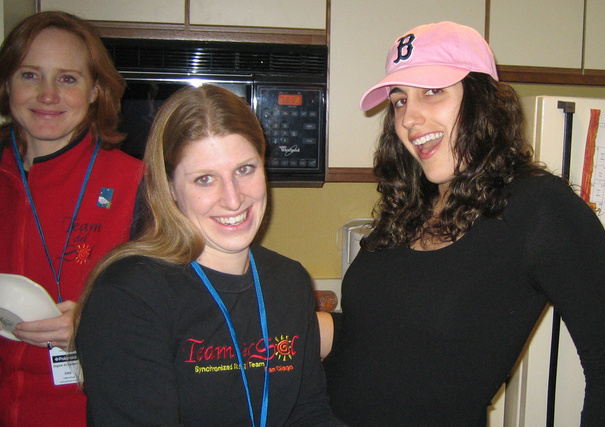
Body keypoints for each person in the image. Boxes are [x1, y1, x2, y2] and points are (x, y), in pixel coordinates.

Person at [320, 21, 605, 426]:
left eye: (432, 92)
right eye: (399, 100)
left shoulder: (540, 209)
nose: (409, 119)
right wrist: (297, 329)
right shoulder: (411, 203)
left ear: (481, 98)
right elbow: (380, 332)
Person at [73, 84, 346, 427]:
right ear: (170, 188)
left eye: (245, 169)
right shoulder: (128, 296)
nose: (233, 200)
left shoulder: (289, 281)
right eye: (205, 179)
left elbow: (307, 411)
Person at [0, 11, 144, 427]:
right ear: (7, 83)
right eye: (30, 75)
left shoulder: (136, 183)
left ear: (96, 89)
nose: (47, 95)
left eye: (67, 78)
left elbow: (181, 309)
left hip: (96, 411)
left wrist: (96, 322)